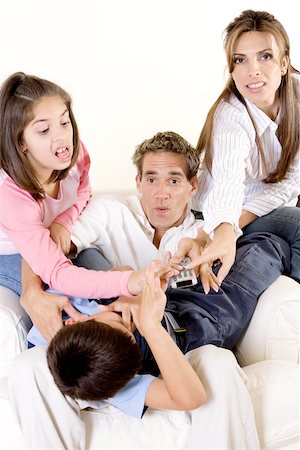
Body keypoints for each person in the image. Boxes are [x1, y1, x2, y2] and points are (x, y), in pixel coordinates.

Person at [9, 131, 287, 449]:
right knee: (27, 365)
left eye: (173, 181)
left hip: (170, 333)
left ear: (192, 186)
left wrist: (197, 246)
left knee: (218, 361)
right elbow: (46, 243)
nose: (161, 194)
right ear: (138, 181)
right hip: (112, 349)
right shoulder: (110, 212)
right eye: (152, 180)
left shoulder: (205, 229)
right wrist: (32, 291)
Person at [0, 71, 156, 341]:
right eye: (44, 129)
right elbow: (58, 274)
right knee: (73, 312)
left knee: (118, 293)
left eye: (64, 122)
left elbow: (83, 191)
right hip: (10, 252)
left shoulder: (75, 154)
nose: (62, 138)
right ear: (20, 141)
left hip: (48, 238)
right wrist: (133, 280)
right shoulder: (11, 196)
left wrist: (63, 221)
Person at [184, 10, 299, 284]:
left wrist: (232, 229)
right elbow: (227, 187)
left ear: (284, 64)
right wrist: (223, 230)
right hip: (219, 212)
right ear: (232, 69)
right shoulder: (231, 115)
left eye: (265, 56)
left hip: (257, 210)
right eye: (240, 60)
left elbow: (291, 183)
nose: (253, 71)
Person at [46, 261, 206, 414]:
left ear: (74, 321)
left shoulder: (70, 304)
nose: (129, 324)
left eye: (120, 324)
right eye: (131, 336)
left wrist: (130, 295)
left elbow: (124, 269)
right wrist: (151, 327)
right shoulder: (103, 379)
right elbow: (190, 398)